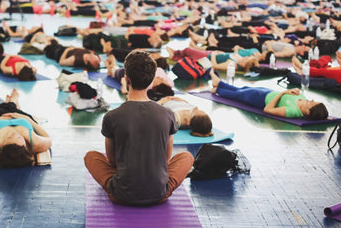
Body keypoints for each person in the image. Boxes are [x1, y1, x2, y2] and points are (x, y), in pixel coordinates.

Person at [84, 50, 194, 205]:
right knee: (186, 157)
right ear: (151, 81)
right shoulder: (168, 114)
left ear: (126, 78)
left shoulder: (111, 116)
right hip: (159, 193)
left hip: (120, 193)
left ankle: (127, 181)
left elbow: (112, 160)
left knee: (91, 156)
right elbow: (166, 158)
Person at [0, 89, 52, 168]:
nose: (14, 134)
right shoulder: (35, 143)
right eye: (19, 137)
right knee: (15, 109)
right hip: (23, 119)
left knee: (1, 107)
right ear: (25, 146)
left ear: (3, 145)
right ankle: (13, 102)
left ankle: (10, 102)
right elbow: (48, 138)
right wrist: (28, 119)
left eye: (9, 137)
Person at [209, 68, 328, 120]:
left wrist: (283, 93)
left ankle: (217, 89)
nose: (311, 100)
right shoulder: (304, 101)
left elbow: (267, 109)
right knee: (243, 88)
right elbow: (295, 93)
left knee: (238, 95)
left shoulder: (292, 111)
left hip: (260, 100)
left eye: (312, 103)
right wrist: (295, 90)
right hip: (267, 92)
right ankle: (218, 84)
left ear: (308, 112)